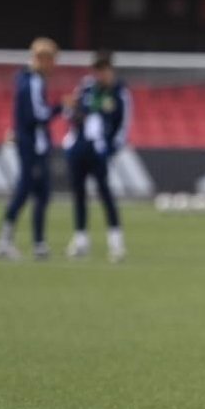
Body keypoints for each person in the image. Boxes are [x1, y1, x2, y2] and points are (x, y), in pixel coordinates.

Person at [0, 37, 64, 261]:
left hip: (33, 144)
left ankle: (38, 244)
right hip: (32, 146)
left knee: (41, 193)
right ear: (42, 59)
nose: (54, 65)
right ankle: (6, 241)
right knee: (25, 190)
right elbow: (37, 115)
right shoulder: (32, 81)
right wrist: (61, 108)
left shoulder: (28, 80)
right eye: (52, 60)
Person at [63, 50, 131, 262]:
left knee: (105, 194)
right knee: (79, 194)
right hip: (79, 148)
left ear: (111, 69)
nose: (100, 74)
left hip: (100, 151)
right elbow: (70, 112)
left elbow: (123, 126)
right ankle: (81, 239)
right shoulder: (86, 87)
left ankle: (116, 242)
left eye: (104, 70)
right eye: (97, 70)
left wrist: (109, 150)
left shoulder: (119, 92)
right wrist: (71, 136)